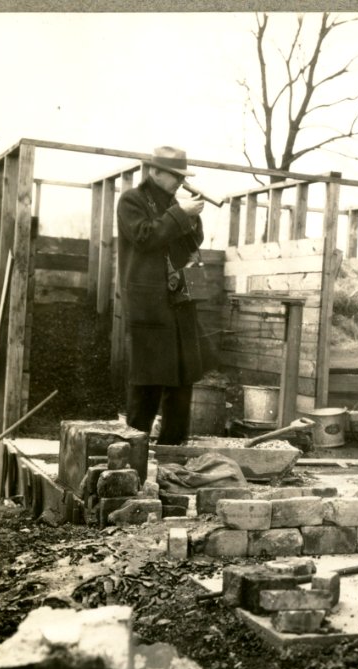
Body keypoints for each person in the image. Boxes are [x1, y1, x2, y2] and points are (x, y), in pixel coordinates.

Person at [116, 145, 206, 445]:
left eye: (183, 176)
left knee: (182, 379)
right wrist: (181, 213)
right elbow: (145, 236)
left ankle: (173, 448)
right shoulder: (132, 200)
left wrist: (192, 218)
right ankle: (131, 454)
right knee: (148, 381)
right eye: (175, 175)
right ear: (154, 172)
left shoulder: (173, 202)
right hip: (149, 304)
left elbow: (192, 241)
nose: (180, 181)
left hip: (179, 300)